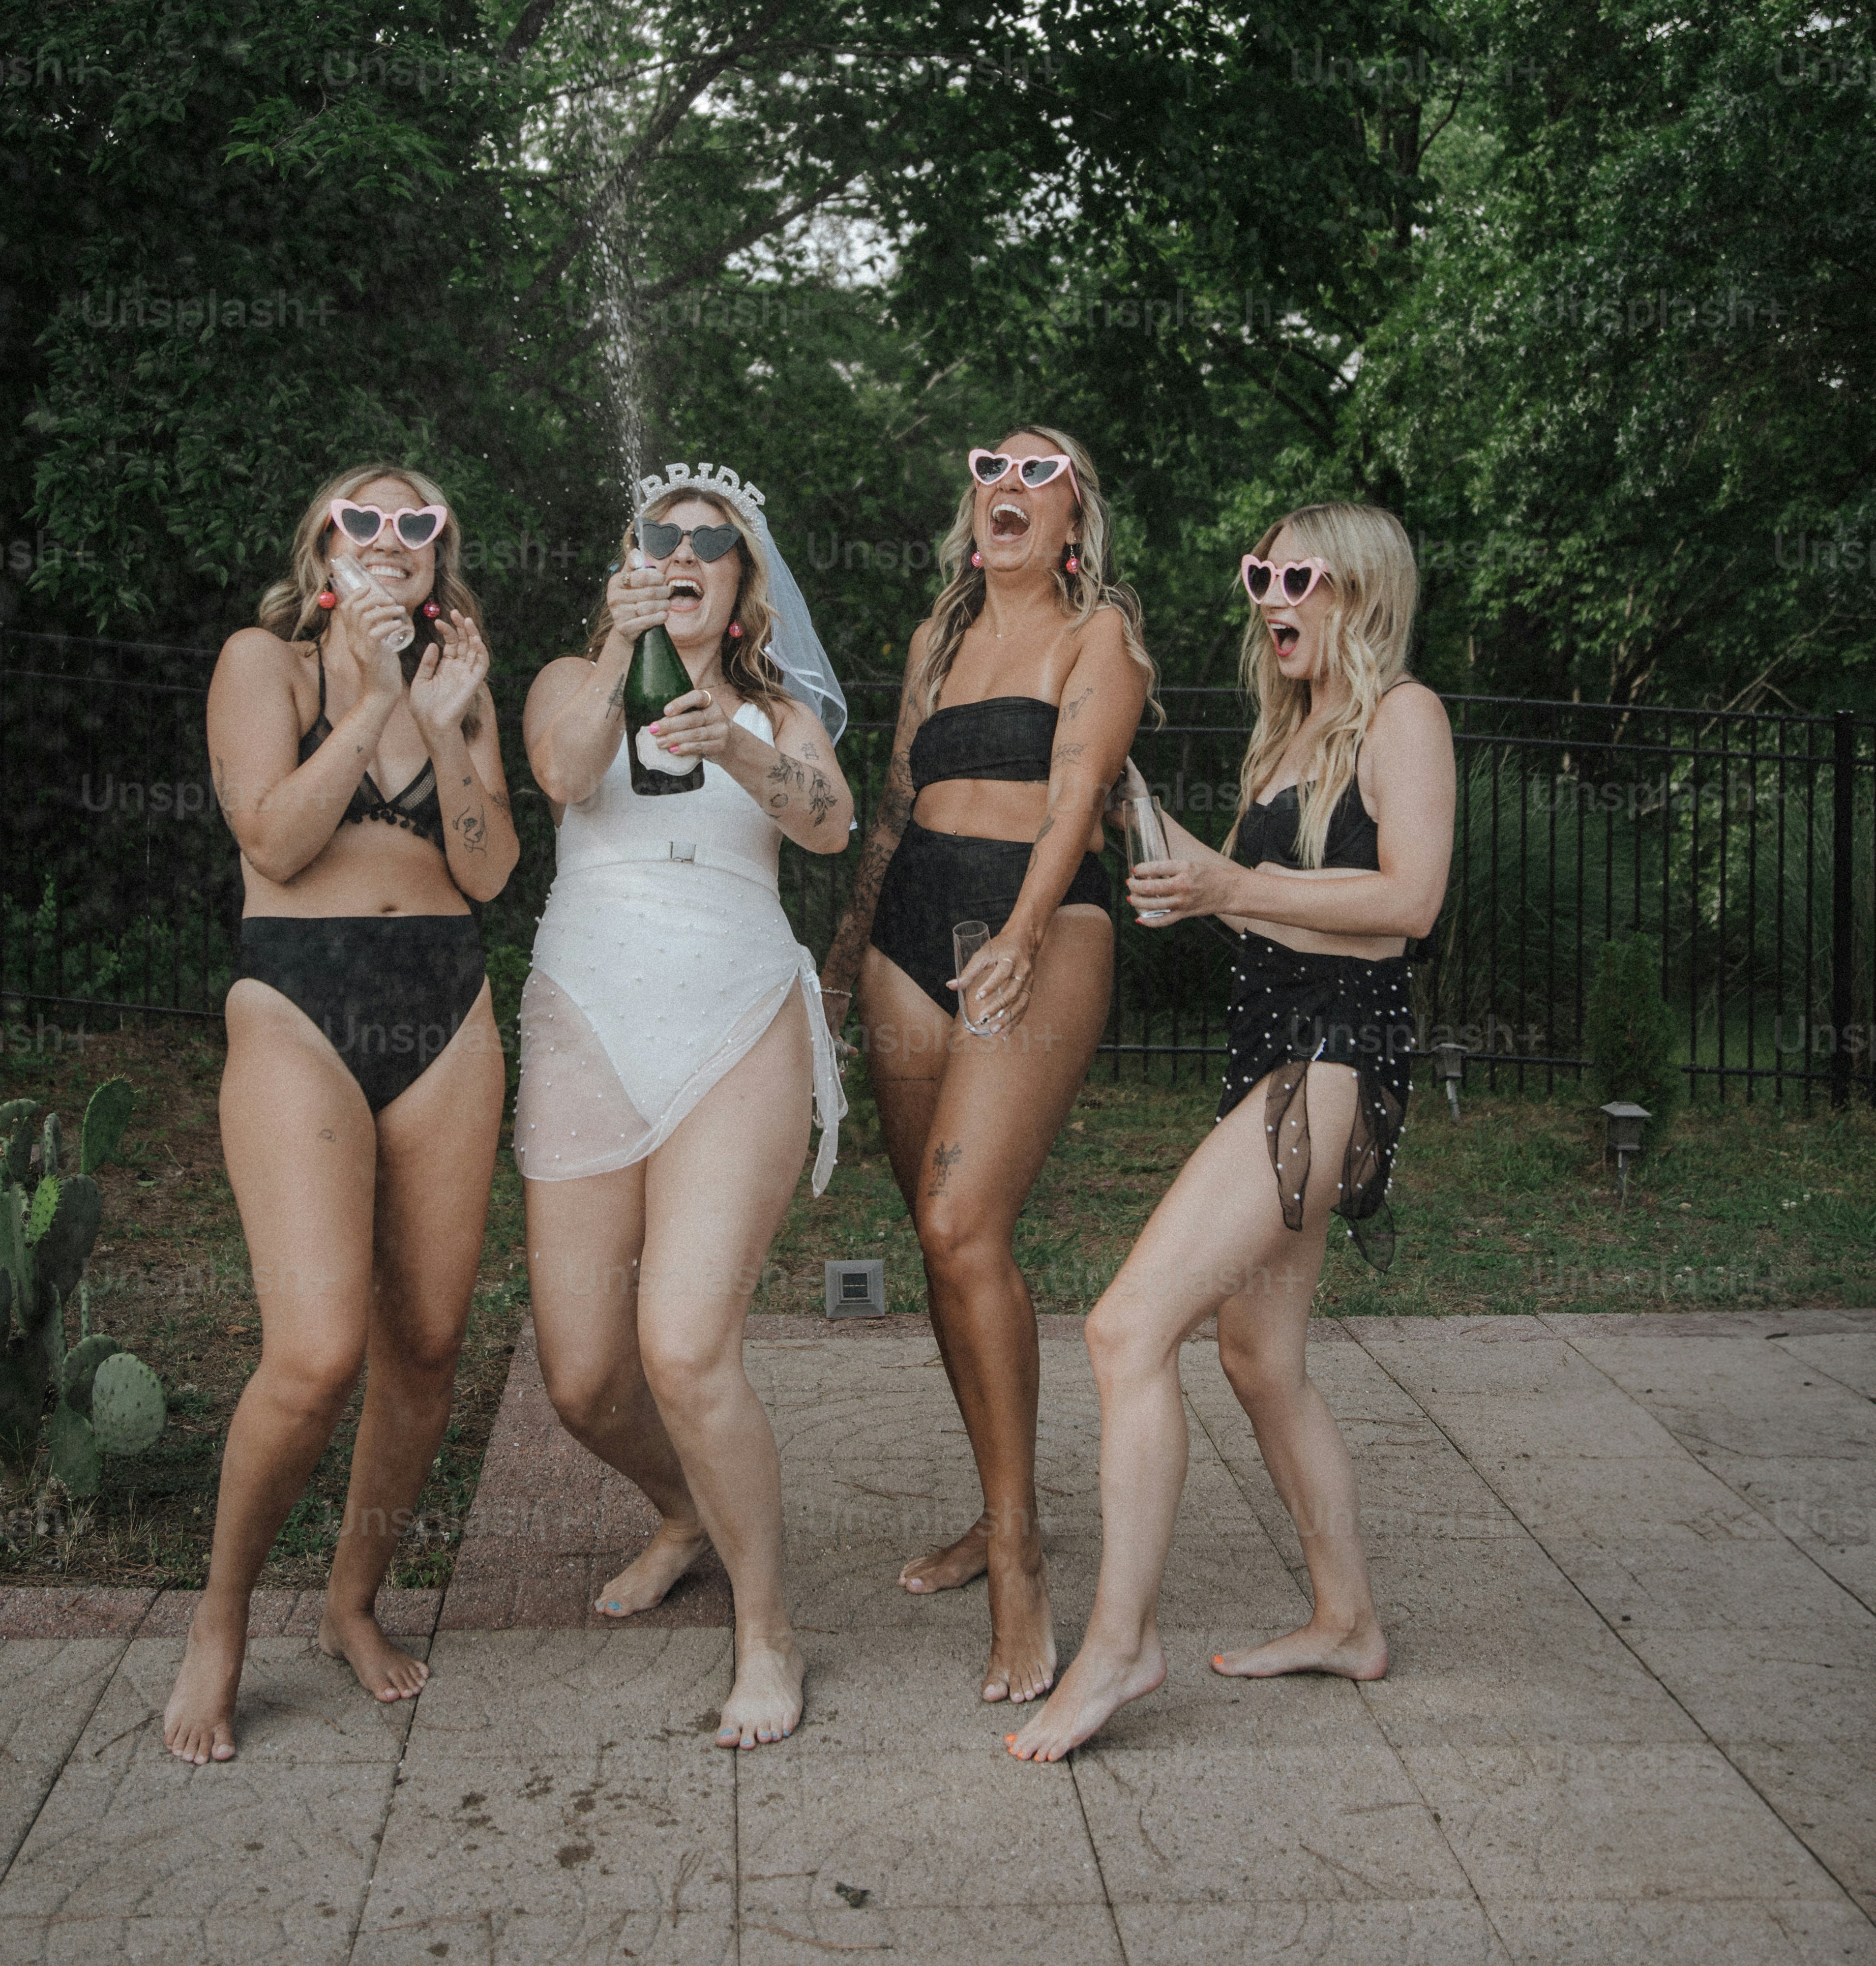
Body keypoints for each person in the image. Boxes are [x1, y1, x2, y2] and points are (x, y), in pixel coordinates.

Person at [1006, 502, 1454, 1761]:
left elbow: (1407, 903)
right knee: (1258, 1357)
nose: (1271, 592)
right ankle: (1346, 1618)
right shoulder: (1286, 733)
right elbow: (1257, 902)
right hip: (1270, 1057)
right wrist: (1160, 839)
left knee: (1124, 1326)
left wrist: (1230, 886)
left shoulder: (1398, 716)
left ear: (1359, 588)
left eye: (1297, 574)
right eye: (1258, 571)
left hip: (1332, 1062)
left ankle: (1117, 1645)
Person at [165, 465, 519, 1763]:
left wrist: (440, 719)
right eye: (363, 519)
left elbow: (485, 867)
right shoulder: (265, 662)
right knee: (314, 1354)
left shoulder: (452, 682)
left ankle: (351, 1604)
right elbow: (273, 841)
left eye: (418, 522)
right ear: (321, 544)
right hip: (300, 1004)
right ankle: (220, 1620)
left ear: (442, 552)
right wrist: (368, 702)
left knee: (424, 1343)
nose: (391, 538)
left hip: (444, 1001)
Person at [517, 462, 852, 1750]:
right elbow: (559, 770)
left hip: (735, 1020)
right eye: (664, 538)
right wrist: (621, 642)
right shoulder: (575, 676)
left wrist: (744, 748)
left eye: (715, 544)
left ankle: (767, 1634)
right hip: (588, 1018)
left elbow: (827, 828)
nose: (688, 554)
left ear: (744, 580)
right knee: (584, 1377)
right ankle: (681, 1509)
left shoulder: (772, 708)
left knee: (683, 1345)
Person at [819, 429, 1154, 1705]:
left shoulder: (1097, 634)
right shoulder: (934, 640)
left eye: (1036, 470)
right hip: (913, 919)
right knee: (931, 1236)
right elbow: (896, 809)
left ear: (1073, 513)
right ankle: (993, 1503)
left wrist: (1014, 938)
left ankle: (1020, 1561)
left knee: (966, 1224)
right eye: (988, 468)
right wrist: (847, 970)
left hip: (1038, 919)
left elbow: (1075, 801)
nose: (1004, 485)